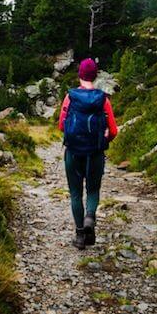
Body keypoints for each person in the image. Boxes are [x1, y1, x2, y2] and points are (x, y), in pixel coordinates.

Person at [58, 57, 118, 250]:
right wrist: (103, 138)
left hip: (73, 152)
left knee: (75, 194)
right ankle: (90, 217)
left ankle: (80, 235)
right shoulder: (103, 99)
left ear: (80, 74)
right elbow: (114, 131)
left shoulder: (70, 97)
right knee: (92, 190)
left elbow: (61, 125)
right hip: (95, 153)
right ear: (96, 75)